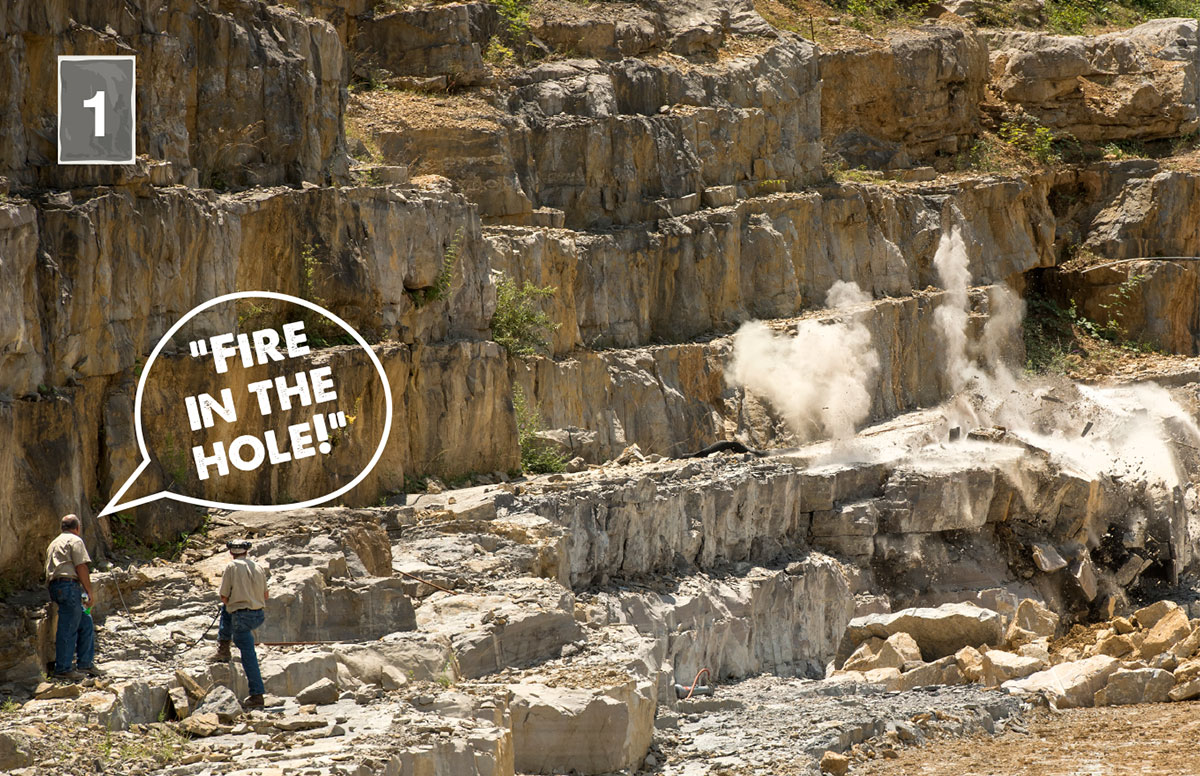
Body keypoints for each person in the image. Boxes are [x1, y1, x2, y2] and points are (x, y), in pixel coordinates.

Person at [211, 539, 268, 708]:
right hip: (258, 614)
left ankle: (257, 694)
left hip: (242, 616)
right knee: (226, 612)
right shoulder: (258, 566)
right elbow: (266, 595)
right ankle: (224, 648)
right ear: (246, 551)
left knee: (248, 654)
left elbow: (224, 597)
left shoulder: (231, 567)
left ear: (231, 553)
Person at [45, 514, 103, 680]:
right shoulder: (75, 540)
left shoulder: (54, 543)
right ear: (77, 528)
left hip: (57, 586)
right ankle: (63, 668)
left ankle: (85, 664)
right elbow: (81, 566)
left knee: (85, 622)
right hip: (70, 586)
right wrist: (89, 592)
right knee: (69, 626)